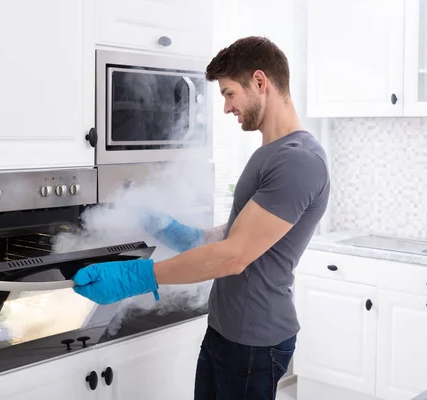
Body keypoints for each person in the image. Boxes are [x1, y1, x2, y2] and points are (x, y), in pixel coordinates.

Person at [72, 36, 330, 400]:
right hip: (226, 332)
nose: (225, 108)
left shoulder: (298, 160)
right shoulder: (271, 152)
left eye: (228, 93)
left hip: (254, 342)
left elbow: (234, 256)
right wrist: (166, 226)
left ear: (260, 82)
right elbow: (233, 236)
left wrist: (135, 277)